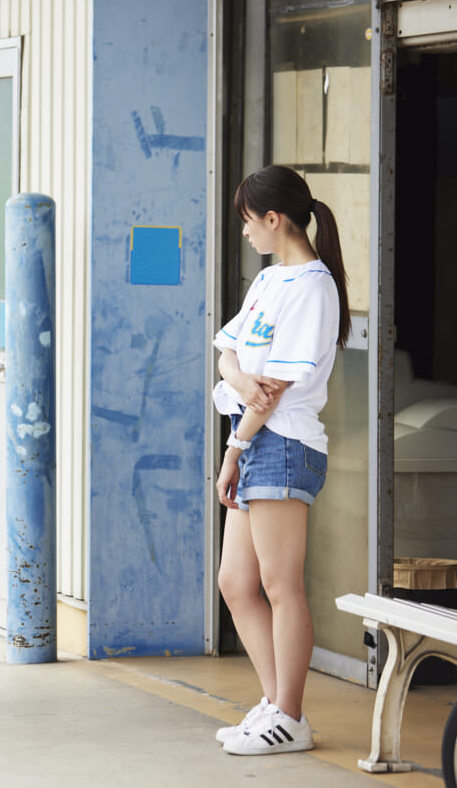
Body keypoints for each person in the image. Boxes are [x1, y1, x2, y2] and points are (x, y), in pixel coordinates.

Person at [212, 164, 351, 755]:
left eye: (248, 222)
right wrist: (241, 387)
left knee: (279, 585)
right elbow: (225, 353)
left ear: (274, 219)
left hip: (282, 444)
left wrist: (236, 443)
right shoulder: (269, 282)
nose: (245, 232)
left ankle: (290, 715)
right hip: (254, 437)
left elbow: (275, 391)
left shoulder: (315, 286)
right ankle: (275, 703)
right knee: (236, 582)